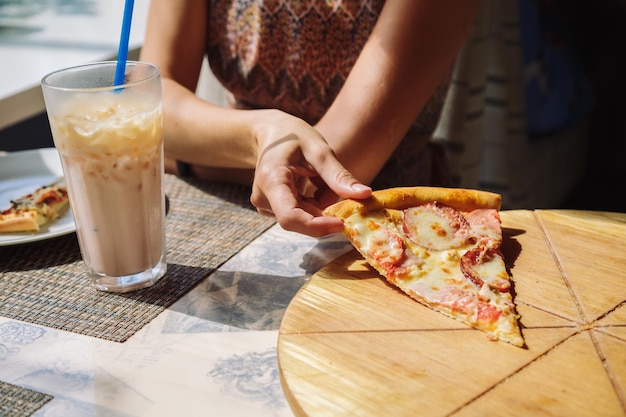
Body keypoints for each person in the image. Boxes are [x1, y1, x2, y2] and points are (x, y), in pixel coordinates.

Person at [140, 0, 480, 237]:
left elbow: (333, 168)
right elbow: (153, 99)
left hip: (384, 232)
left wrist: (182, 159)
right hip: (219, 214)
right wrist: (261, 133)